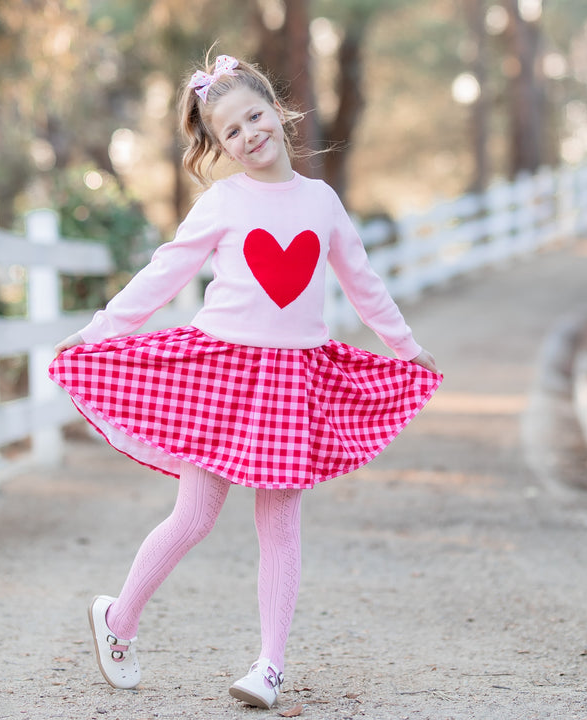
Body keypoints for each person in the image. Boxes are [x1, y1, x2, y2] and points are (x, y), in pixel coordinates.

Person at [50, 52, 442, 710]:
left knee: (281, 524)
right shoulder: (223, 201)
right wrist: (100, 330)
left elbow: (363, 284)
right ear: (220, 145)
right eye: (230, 131)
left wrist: (407, 346)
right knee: (196, 515)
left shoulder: (321, 201)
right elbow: (165, 272)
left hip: (294, 381)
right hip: (223, 374)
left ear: (278, 111)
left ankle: (270, 665)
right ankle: (118, 620)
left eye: (254, 116)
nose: (248, 134)